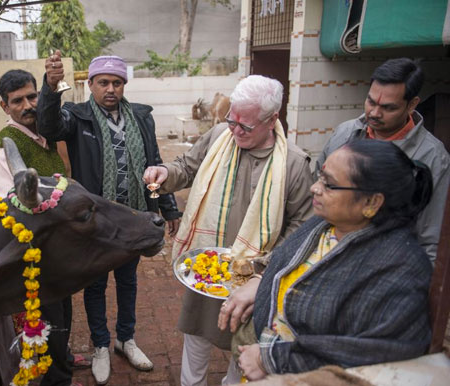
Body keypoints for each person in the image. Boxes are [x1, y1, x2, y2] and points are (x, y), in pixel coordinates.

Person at [143, 75, 314, 386]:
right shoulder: (221, 135)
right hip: (206, 271)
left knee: (244, 351)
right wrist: (165, 172)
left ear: (272, 118)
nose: (235, 129)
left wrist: (266, 269)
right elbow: (188, 166)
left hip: (254, 279)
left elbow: (301, 226)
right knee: (196, 337)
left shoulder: (294, 164)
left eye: (245, 126)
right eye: (231, 119)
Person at [218, 139, 434, 382]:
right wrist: (261, 280)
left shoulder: (400, 269)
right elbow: (285, 261)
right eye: (320, 178)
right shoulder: (322, 225)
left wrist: (270, 359)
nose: (314, 188)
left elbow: (373, 352)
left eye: (329, 185)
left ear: (372, 202)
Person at [36, 52, 182, 385]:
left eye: (117, 82)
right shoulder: (78, 117)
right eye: (103, 82)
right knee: (96, 285)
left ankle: (125, 339)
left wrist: (169, 207)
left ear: (124, 85)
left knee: (129, 281)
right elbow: (48, 126)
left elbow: (155, 161)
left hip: (132, 217)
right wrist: (50, 85)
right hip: (96, 224)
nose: (111, 89)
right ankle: (100, 344)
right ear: (91, 85)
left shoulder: (141, 117)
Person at [0, 69, 88, 386]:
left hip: (59, 251)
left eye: (32, 96)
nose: (27, 105)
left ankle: (62, 358)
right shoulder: (6, 148)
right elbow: (9, 208)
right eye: (17, 101)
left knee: (64, 314)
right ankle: (57, 376)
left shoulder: (47, 136)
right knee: (49, 322)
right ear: (5, 107)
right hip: (36, 255)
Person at [315, 58, 450, 262]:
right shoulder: (344, 134)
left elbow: (431, 239)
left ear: (412, 105)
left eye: (388, 108)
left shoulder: (432, 157)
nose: (374, 113)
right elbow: (316, 200)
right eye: (371, 102)